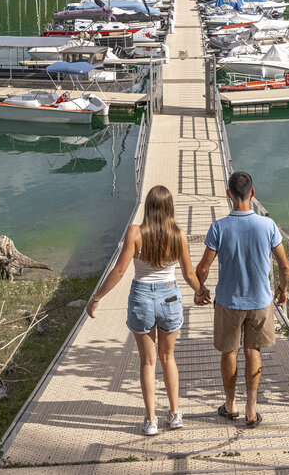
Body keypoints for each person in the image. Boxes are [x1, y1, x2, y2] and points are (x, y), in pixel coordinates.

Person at [87, 185, 205, 436]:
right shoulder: (179, 235)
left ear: (148, 207)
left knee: (148, 361)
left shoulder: (135, 233)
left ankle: (151, 420)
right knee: (168, 358)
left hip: (142, 296)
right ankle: (175, 415)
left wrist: (96, 297)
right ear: (170, 207)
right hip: (170, 296)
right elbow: (188, 273)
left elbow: (119, 271)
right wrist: (200, 291)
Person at [195, 170, 289, 429]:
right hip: (260, 300)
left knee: (229, 351)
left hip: (228, 301)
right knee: (253, 351)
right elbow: (284, 266)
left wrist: (200, 289)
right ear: (253, 193)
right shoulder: (267, 225)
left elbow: (202, 268)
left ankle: (230, 404)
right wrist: (282, 290)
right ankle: (251, 408)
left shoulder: (218, 227)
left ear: (229, 194)